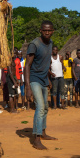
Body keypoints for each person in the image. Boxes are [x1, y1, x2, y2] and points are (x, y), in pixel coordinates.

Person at [25, 21, 58, 150]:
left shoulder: (50, 43)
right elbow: (27, 65)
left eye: (49, 30)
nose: (47, 32)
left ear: (53, 31)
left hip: (44, 79)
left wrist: (48, 78)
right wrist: (28, 87)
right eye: (45, 30)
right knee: (40, 106)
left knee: (46, 108)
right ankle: (36, 139)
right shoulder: (34, 44)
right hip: (34, 79)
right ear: (40, 30)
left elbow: (45, 63)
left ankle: (43, 132)